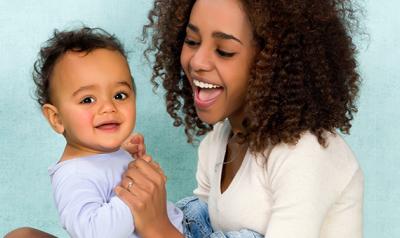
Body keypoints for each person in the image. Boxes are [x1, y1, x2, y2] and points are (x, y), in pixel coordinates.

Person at [115, 0, 364, 237]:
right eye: (191, 41)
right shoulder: (216, 143)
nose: (197, 62)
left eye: (224, 51)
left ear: (273, 63)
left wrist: (158, 230)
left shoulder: (305, 153)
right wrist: (128, 178)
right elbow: (198, 229)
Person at [12, 27, 183, 238]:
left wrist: (121, 154)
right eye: (87, 100)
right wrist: (137, 191)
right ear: (56, 119)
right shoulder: (72, 175)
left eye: (120, 95)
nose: (108, 107)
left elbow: (106, 177)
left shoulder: (96, 153)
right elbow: (96, 232)